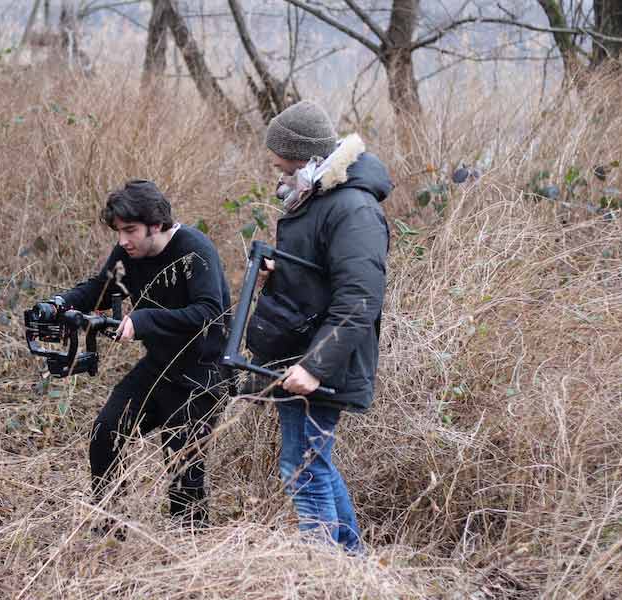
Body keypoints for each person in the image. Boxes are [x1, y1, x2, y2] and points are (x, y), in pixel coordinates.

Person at [246, 100, 392, 552]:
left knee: (303, 465)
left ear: (306, 156)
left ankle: (324, 569)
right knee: (312, 463)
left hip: (321, 359)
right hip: (298, 348)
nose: (275, 167)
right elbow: (320, 276)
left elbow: (359, 299)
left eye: (281, 160)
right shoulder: (313, 196)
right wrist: (279, 271)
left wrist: (315, 367)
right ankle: (353, 563)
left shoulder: (352, 209)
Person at [55, 180, 231, 531]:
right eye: (119, 231)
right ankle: (109, 528)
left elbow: (210, 312)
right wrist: (60, 303)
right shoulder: (129, 253)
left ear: (157, 224)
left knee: (183, 475)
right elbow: (102, 288)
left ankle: (192, 553)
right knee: (106, 432)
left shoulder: (195, 250)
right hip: (159, 367)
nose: (122, 240)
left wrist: (144, 319)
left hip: (203, 375)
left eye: (130, 231)